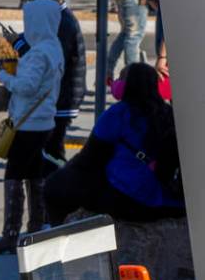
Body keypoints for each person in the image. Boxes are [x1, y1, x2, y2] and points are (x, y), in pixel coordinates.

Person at [45, 63, 184, 226]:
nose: (116, 82)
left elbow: (89, 159)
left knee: (54, 187)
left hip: (128, 198)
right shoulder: (167, 113)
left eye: (121, 78)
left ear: (130, 84)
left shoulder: (119, 113)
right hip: (163, 199)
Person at [0, 0, 64, 254]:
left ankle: (11, 234)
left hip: (28, 124)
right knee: (34, 176)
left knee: (14, 176)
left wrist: (2, 74)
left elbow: (26, 86)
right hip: (43, 121)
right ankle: (34, 228)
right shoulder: (53, 46)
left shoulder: (38, 53)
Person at [5, 0, 86, 171]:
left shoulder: (61, 22)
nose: (31, 5)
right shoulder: (58, 18)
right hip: (57, 96)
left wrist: (19, 45)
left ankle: (59, 192)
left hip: (59, 98)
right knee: (46, 153)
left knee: (50, 155)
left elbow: (47, 61)